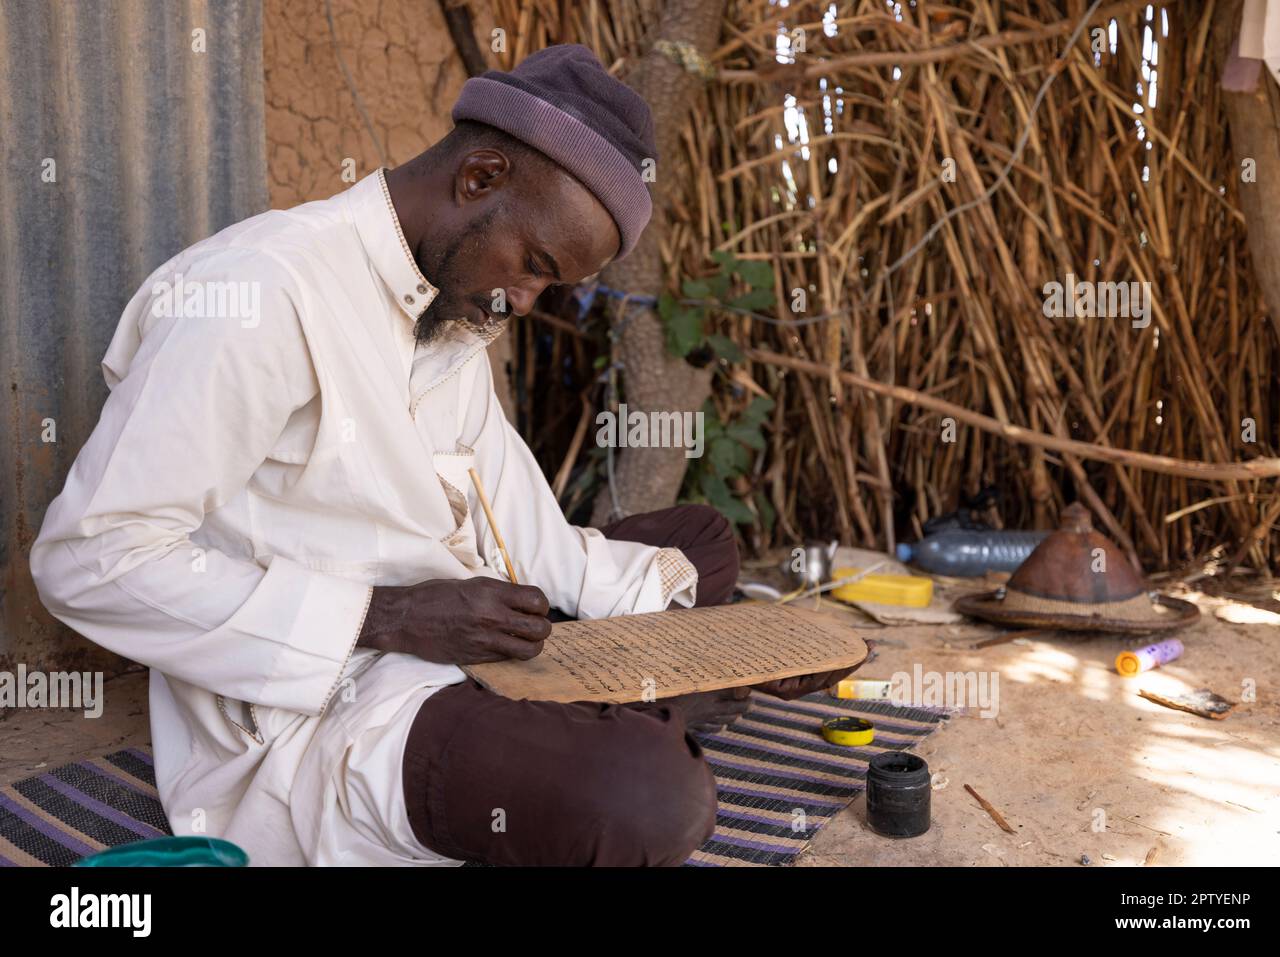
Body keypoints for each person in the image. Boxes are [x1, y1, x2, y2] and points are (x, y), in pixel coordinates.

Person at [31, 44, 858, 867]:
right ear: (480, 177)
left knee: (702, 540)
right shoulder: (262, 294)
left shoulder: (456, 313)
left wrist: (693, 639)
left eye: (551, 285)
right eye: (535, 266)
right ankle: (613, 729)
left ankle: (620, 704)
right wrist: (387, 615)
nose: (526, 303)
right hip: (331, 706)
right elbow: (88, 558)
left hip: (472, 648)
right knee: (650, 798)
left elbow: (528, 537)